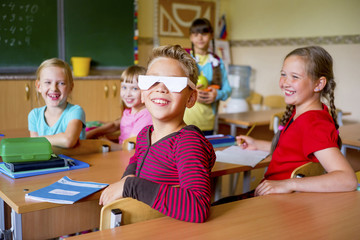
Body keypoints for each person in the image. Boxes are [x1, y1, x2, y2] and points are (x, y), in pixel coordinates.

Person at [99, 45, 216, 223]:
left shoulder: (188, 142)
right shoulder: (145, 133)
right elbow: (136, 160)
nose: (160, 88)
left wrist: (130, 186)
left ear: (191, 98)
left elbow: (197, 207)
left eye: (174, 83)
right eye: (151, 81)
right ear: (143, 93)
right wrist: (127, 178)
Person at [236, 46, 357, 197]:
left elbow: (347, 179)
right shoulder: (304, 114)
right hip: (272, 194)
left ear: (319, 84)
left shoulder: (313, 123)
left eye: (295, 77)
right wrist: (257, 144)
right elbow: (294, 152)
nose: (285, 82)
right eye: (283, 74)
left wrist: (289, 183)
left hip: (276, 200)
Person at [183, 18, 232, 135]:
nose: (200, 38)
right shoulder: (184, 59)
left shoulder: (217, 62)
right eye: (196, 34)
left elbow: (227, 90)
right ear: (190, 37)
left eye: (204, 34)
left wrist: (217, 94)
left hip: (208, 122)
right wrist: (192, 92)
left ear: (211, 36)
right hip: (185, 120)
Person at [86, 65, 152, 146]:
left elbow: (131, 146)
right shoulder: (130, 111)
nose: (127, 94)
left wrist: (106, 142)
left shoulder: (145, 114)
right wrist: (93, 132)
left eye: (134, 88)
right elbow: (115, 124)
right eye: (124, 87)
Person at [28, 58, 86, 148]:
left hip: (75, 161)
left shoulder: (75, 111)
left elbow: (68, 140)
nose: (54, 88)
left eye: (61, 83)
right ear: (39, 86)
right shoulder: (34, 115)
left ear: (71, 87)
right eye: (48, 82)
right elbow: (35, 146)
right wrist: (36, 141)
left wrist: (38, 139)